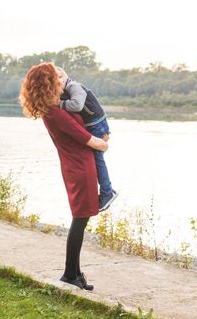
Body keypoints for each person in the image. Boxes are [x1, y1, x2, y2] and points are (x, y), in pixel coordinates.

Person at [19, 62, 108, 290]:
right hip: (80, 168)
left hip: (77, 165)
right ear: (48, 85)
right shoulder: (55, 113)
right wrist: (103, 142)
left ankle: (75, 273)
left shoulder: (54, 109)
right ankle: (70, 274)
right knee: (80, 220)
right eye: (55, 79)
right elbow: (86, 138)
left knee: (81, 218)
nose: (61, 82)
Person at [55, 67, 118, 212]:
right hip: (93, 125)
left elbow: (77, 105)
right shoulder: (65, 90)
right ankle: (106, 191)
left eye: (60, 77)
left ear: (66, 76)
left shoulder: (74, 87)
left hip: (97, 124)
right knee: (94, 158)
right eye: (54, 79)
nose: (58, 81)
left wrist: (58, 104)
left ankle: (107, 193)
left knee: (97, 158)